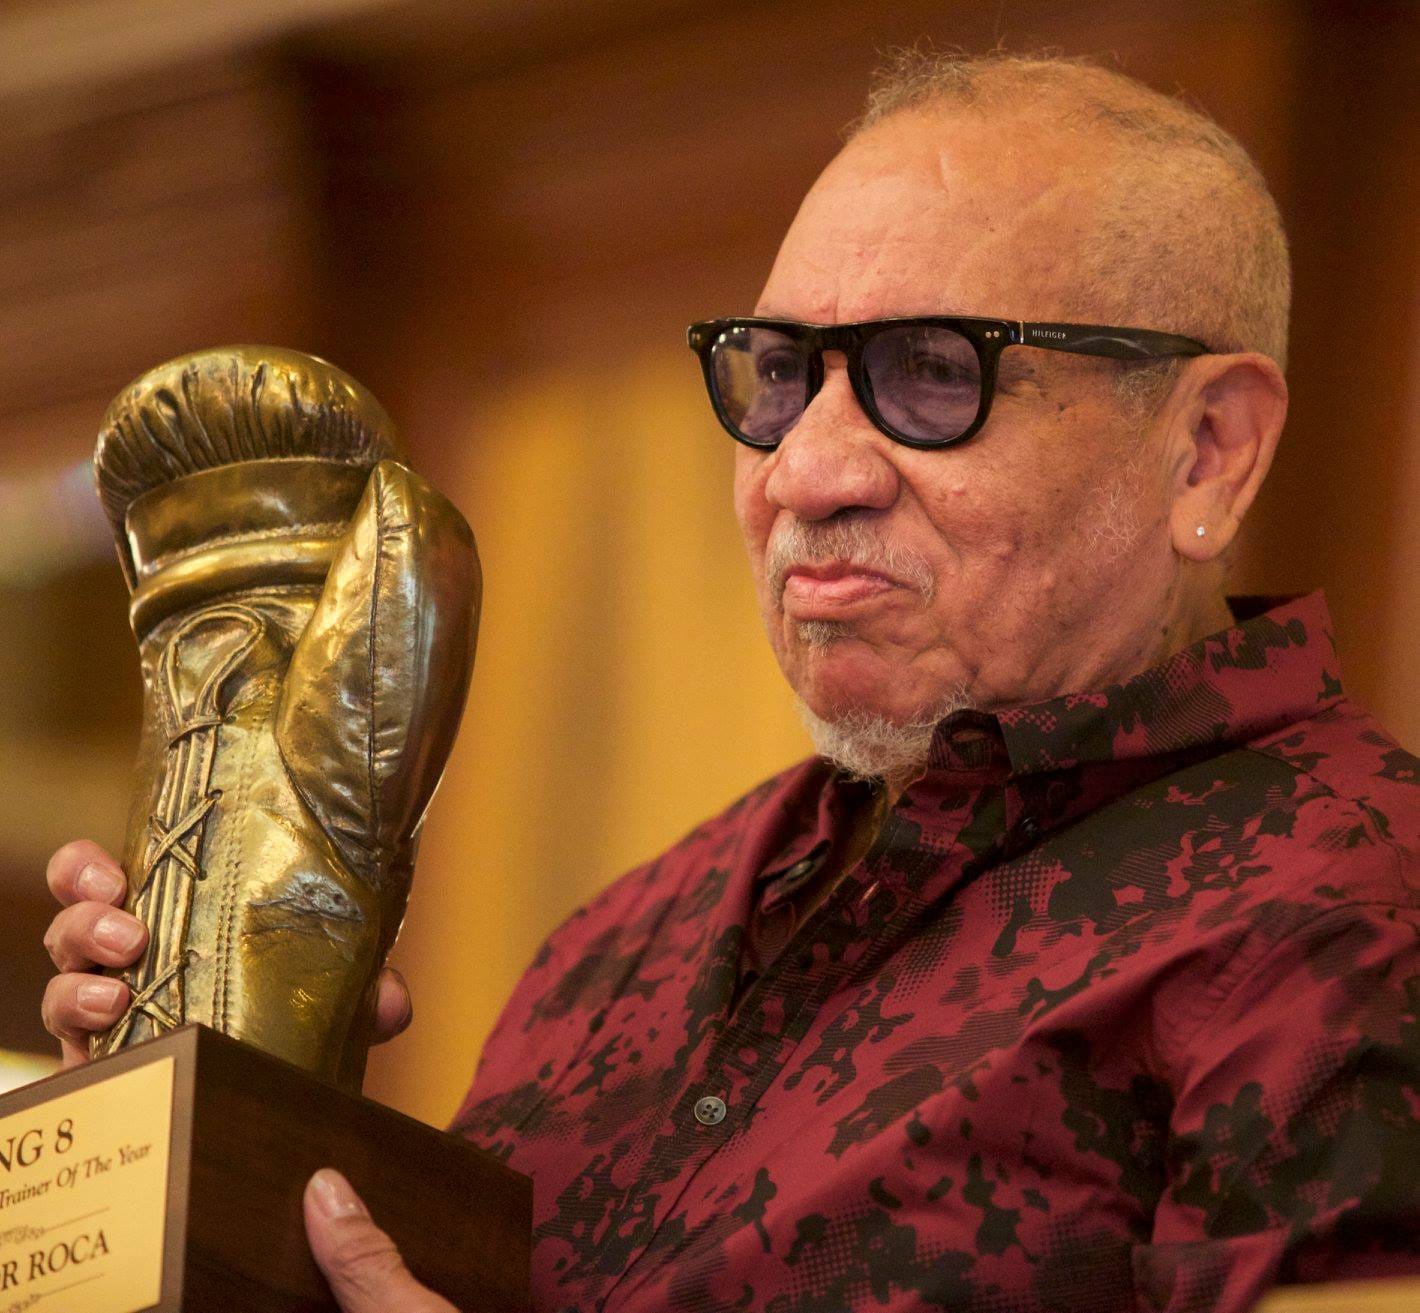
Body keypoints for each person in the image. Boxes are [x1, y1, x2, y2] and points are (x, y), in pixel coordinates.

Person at [38, 51, 1419, 1313]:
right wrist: (201, 1120)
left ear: (1208, 449)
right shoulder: (623, 943)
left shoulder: (1358, 903)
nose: (804, 474)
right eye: (776, 376)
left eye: (931, 374)